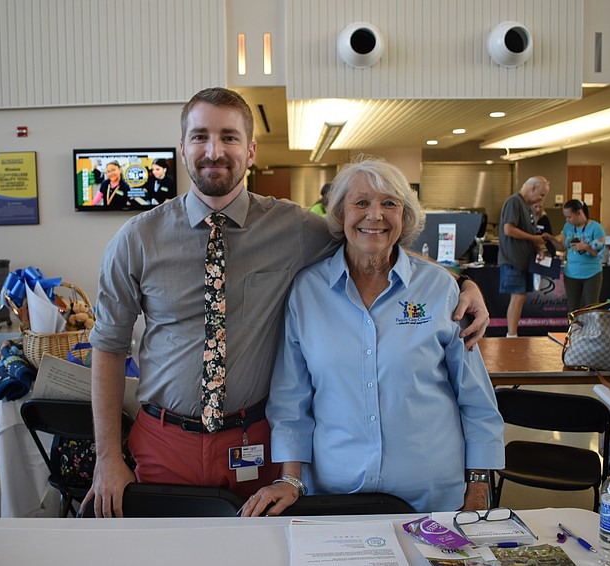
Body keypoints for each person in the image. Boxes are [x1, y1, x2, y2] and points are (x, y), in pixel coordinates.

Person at [85, 87, 490, 518]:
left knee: (260, 548)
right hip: (166, 440)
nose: (214, 150)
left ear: (251, 150)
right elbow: (109, 346)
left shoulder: (293, 228)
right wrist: (107, 456)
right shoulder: (137, 239)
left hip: (255, 442)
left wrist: (459, 280)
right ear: (182, 146)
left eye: (229, 137)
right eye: (200, 136)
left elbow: (372, 238)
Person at [240, 159, 504, 516]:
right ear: (340, 214)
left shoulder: (440, 288)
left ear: (405, 216)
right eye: (361, 202)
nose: (375, 215)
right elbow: (291, 400)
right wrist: (290, 478)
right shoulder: (307, 291)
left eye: (389, 203)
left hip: (432, 497)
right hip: (335, 495)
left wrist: (479, 486)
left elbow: (476, 400)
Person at [498, 176, 549, 337]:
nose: (541, 199)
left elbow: (530, 233)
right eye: (541, 194)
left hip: (524, 261)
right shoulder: (514, 202)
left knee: (521, 297)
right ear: (532, 188)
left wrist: (539, 249)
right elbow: (509, 229)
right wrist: (534, 238)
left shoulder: (528, 208)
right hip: (513, 260)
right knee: (517, 297)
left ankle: (513, 333)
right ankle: (511, 335)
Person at [542, 199, 606, 312]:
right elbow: (562, 247)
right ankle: (574, 324)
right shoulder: (568, 227)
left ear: (579, 213)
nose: (567, 220)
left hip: (591, 273)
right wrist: (551, 238)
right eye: (566, 217)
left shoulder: (596, 228)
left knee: (591, 308)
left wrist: (586, 247)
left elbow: (600, 253)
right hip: (571, 274)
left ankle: (590, 325)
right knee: (572, 308)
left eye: (569, 217)